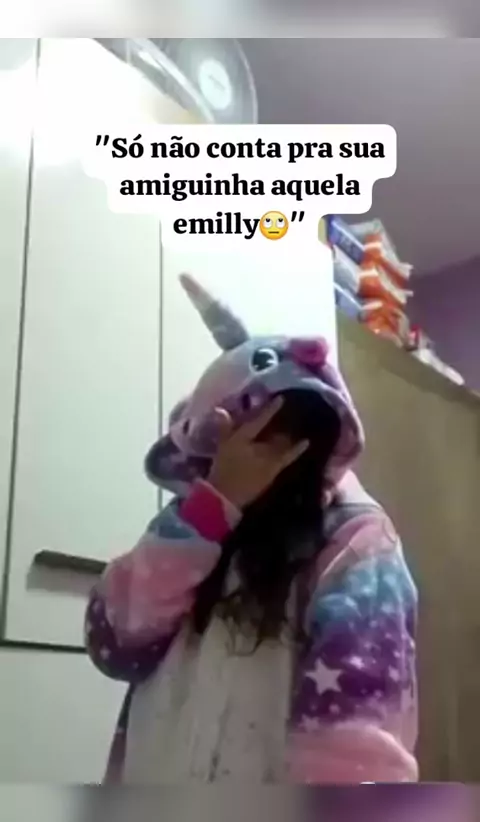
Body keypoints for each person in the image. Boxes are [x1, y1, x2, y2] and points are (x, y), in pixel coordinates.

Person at [85, 273, 418, 784]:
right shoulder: (190, 526)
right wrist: (212, 506)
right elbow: (114, 643)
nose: (259, 458)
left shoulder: (357, 546)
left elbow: (355, 754)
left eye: (278, 436)